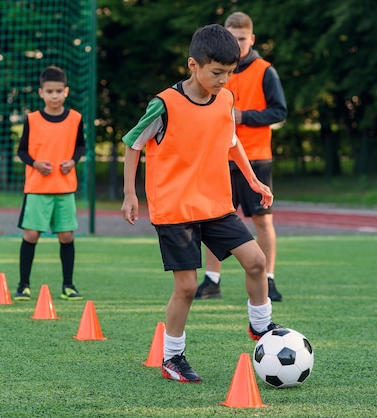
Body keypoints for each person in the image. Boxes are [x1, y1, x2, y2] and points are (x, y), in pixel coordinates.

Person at [121, 24, 281, 383]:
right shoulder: (164, 104)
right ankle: (172, 357)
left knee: (256, 262)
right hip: (175, 209)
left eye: (230, 73)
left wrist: (253, 178)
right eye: (217, 73)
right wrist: (130, 194)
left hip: (215, 204)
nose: (225, 80)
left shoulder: (225, 99)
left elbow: (231, 140)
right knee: (188, 288)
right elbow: (132, 144)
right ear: (193, 65)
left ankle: (261, 327)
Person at [195, 12, 288, 302]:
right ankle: (212, 280)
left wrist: (244, 116)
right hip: (218, 159)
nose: (237, 43)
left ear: (252, 39)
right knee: (213, 219)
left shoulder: (265, 70)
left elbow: (280, 111)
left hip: (256, 158)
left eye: (242, 38)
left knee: (263, 221)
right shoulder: (215, 68)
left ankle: (269, 279)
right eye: (232, 38)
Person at [14, 65, 85, 302]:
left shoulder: (76, 118)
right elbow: (22, 151)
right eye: (49, 91)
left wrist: (72, 162)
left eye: (58, 91)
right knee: (31, 235)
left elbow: (80, 147)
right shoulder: (32, 119)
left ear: (66, 91)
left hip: (64, 188)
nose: (54, 95)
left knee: (66, 236)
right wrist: (35, 164)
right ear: (41, 93)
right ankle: (23, 285)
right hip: (37, 189)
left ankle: (68, 285)